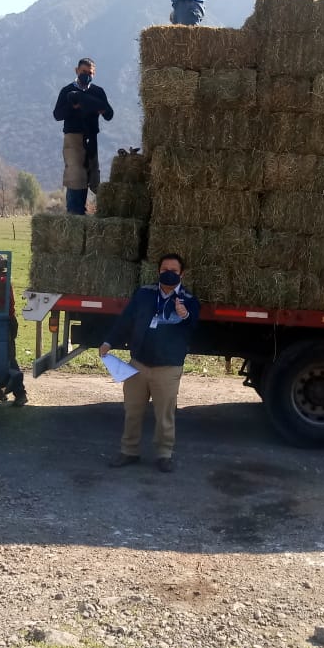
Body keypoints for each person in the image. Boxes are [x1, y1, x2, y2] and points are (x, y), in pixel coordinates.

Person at [99, 253, 200, 473]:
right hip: (139, 363)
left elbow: (194, 328)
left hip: (168, 366)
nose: (168, 273)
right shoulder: (144, 293)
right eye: (164, 269)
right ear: (158, 271)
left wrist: (185, 315)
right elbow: (126, 319)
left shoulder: (189, 300)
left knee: (164, 414)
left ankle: (164, 455)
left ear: (182, 274)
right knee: (132, 410)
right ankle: (129, 451)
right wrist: (108, 341)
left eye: (173, 271)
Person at [52, 57, 114, 215]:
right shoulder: (67, 91)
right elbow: (57, 114)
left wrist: (102, 109)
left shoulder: (98, 92)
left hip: (92, 139)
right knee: (75, 177)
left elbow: (109, 114)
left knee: (91, 175)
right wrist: (74, 106)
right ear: (76, 71)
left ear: (94, 74)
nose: (87, 75)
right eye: (84, 72)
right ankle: (74, 215)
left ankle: (88, 214)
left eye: (90, 72)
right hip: (73, 138)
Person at [0, 281, 28, 406]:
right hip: (4, 322)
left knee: (8, 359)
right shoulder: (1, 280)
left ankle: (20, 393)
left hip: (3, 323)